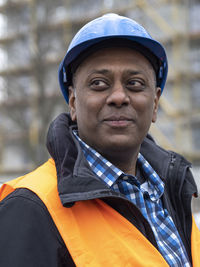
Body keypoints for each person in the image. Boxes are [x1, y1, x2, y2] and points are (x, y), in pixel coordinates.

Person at [0, 13, 199, 267]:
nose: (118, 96)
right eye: (99, 83)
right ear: (73, 102)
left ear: (156, 103)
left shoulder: (172, 189)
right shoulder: (28, 209)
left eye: (135, 83)